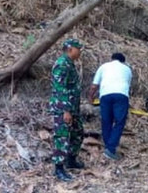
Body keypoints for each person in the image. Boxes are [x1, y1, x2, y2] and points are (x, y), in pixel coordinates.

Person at [50, 38, 85, 182]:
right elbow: (60, 88)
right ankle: (58, 169)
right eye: (78, 49)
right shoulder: (62, 64)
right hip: (63, 108)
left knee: (78, 133)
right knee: (62, 136)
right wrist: (65, 110)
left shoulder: (69, 64)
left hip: (72, 107)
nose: (80, 52)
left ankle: (71, 160)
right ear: (70, 49)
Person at [88, 52, 132, 160]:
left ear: (111, 59)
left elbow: (94, 86)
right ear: (123, 61)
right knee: (119, 122)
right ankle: (110, 149)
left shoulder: (103, 66)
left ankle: (108, 147)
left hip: (105, 95)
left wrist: (91, 97)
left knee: (106, 121)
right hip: (121, 95)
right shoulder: (127, 69)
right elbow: (127, 84)